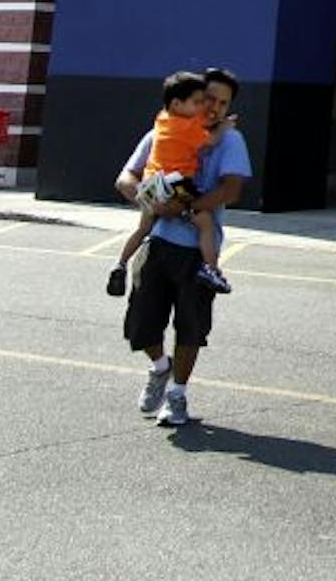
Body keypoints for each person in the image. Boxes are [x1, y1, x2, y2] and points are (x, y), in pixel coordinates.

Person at [113, 67, 252, 429]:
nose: (215, 108)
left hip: (197, 252)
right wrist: (151, 201)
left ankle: (177, 395)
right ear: (193, 99)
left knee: (190, 328)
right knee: (141, 324)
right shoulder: (164, 129)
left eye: (224, 103)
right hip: (157, 242)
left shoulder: (230, 140)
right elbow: (125, 178)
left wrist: (189, 207)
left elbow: (232, 189)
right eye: (209, 99)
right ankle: (160, 367)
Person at [107, 71, 232, 298]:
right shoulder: (188, 129)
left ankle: (121, 263)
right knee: (205, 223)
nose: (203, 106)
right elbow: (210, 141)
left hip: (150, 183)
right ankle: (211, 270)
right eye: (197, 102)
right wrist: (223, 127)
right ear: (177, 103)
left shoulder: (163, 119)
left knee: (143, 228)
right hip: (175, 182)